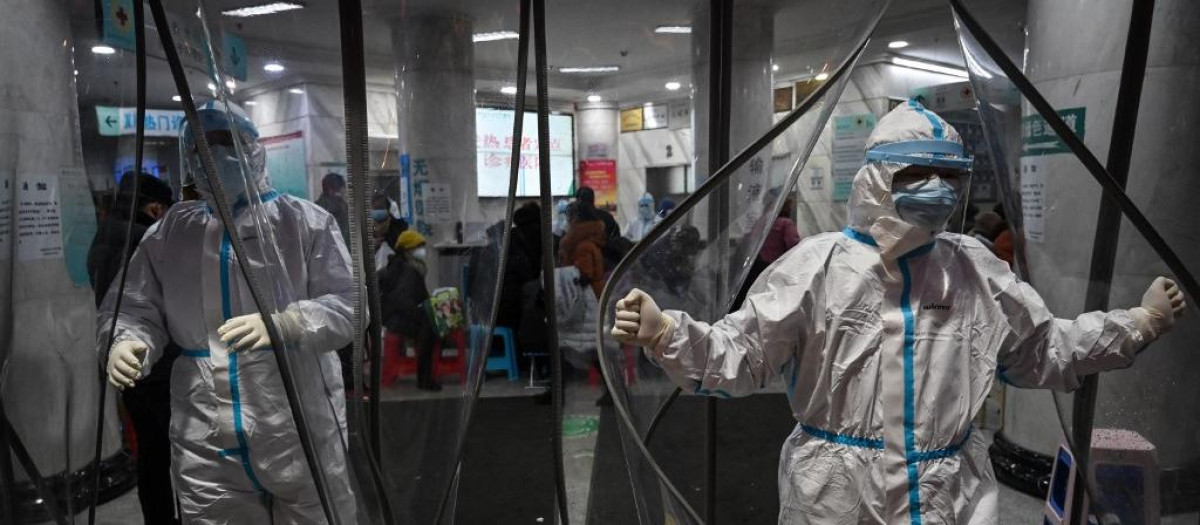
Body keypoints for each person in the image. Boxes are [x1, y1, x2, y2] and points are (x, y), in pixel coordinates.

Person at [611, 100, 1186, 524]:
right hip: (833, 499)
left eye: (949, 177)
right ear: (877, 180)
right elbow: (742, 354)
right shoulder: (816, 266)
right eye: (915, 175)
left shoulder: (974, 269)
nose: (936, 189)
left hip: (949, 497)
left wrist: (1138, 324)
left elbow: (1046, 349)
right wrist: (668, 332)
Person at [100, 100, 358, 523]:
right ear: (189, 159)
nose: (215, 156)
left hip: (296, 421)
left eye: (227, 143)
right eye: (202, 147)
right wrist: (125, 341)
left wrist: (289, 323)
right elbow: (133, 307)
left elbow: (349, 305)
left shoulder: (303, 223)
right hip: (203, 429)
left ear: (254, 149)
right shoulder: (170, 232)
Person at [87, 171, 180, 525]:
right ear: (154, 208)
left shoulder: (102, 236)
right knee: (182, 455)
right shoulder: (148, 242)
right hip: (159, 367)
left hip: (123, 363)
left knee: (150, 454)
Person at [379, 229, 440, 391]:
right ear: (407, 250)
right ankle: (425, 381)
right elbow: (403, 302)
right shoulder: (408, 270)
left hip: (395, 314)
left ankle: (426, 379)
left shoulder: (407, 266)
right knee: (429, 329)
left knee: (430, 322)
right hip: (395, 317)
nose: (422, 251)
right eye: (418, 247)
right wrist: (424, 316)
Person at [559, 202, 607, 298]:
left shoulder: (581, 245)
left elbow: (584, 275)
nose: (567, 219)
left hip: (587, 297)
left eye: (568, 214)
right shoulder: (589, 238)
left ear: (575, 217)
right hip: (595, 293)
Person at [315, 172, 350, 247]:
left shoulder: (314, 208)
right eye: (343, 190)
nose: (345, 193)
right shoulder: (341, 208)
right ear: (332, 191)